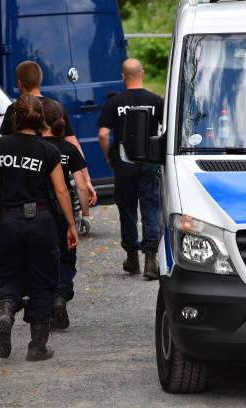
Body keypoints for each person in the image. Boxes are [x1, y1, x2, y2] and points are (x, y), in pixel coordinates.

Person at [0, 95, 78, 361]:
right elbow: (61, 190)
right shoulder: (49, 150)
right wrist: (71, 224)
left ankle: (6, 311)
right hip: (42, 222)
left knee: (10, 273)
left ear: (15, 117)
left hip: (9, 221)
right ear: (41, 120)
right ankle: (37, 345)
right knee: (43, 279)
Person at [97, 58, 164, 281]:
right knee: (150, 209)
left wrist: (109, 156)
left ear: (123, 76)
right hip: (149, 163)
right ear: (143, 73)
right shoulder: (157, 101)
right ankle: (151, 260)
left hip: (124, 164)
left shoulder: (115, 102)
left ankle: (132, 258)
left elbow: (103, 134)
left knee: (127, 211)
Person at [0, 60, 97, 206]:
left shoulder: (14, 109)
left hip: (23, 188)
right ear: (40, 81)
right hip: (54, 189)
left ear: (19, 83)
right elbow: (73, 143)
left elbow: (4, 148)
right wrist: (86, 180)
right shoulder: (56, 107)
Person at [41, 98, 90, 330]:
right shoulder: (69, 148)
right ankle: (61, 297)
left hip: (39, 213)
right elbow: (81, 185)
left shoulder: (36, 147)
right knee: (66, 258)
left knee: (43, 259)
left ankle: (45, 303)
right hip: (63, 213)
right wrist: (85, 215)